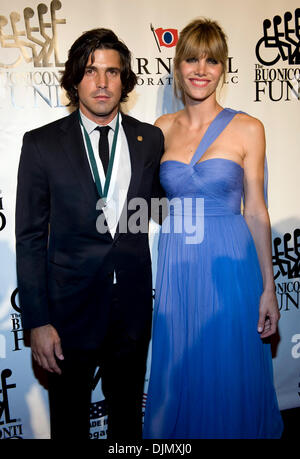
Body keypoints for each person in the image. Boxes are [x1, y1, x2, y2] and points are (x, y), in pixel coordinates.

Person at [15, 28, 164, 440]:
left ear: (125, 80)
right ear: (75, 79)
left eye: (112, 72)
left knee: (127, 423)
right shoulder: (42, 145)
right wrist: (38, 321)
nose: (101, 83)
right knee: (69, 424)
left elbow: (164, 205)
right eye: (91, 71)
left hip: (132, 309)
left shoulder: (149, 138)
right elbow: (28, 237)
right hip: (67, 315)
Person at [143, 18, 283, 439]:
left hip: (229, 264)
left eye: (211, 60)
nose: (200, 69)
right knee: (179, 366)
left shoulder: (248, 128)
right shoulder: (159, 130)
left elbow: (256, 210)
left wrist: (269, 286)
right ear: (177, 66)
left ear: (223, 67)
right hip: (177, 263)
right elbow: (146, 201)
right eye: (191, 59)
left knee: (227, 366)